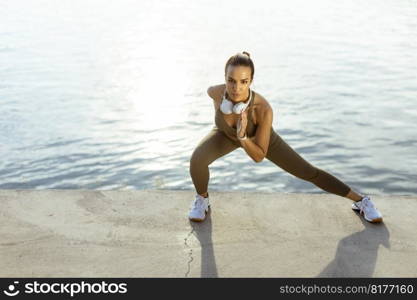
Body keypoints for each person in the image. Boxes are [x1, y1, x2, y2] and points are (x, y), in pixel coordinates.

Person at [188, 51, 383, 223]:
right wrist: (221, 112)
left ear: (251, 81)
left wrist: (243, 137)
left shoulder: (262, 109)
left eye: (243, 81)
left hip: (255, 141)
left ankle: (361, 201)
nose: (236, 88)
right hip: (224, 135)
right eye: (231, 80)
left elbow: (258, 157)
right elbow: (209, 92)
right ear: (225, 78)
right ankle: (202, 200)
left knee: (307, 172)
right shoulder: (217, 93)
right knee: (197, 159)